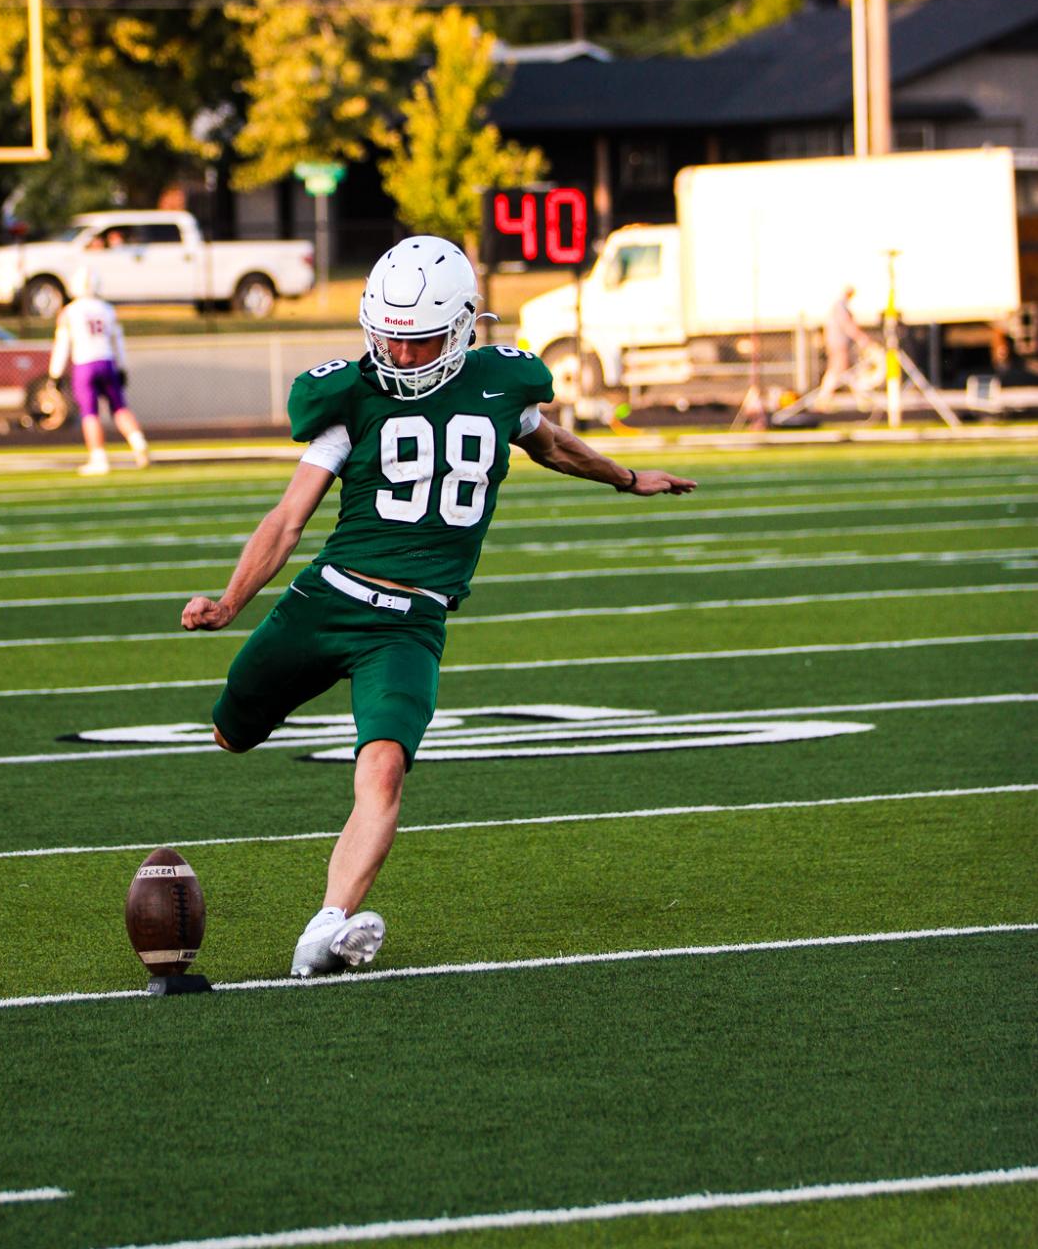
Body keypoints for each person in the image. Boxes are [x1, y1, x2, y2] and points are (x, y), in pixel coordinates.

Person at [182, 235, 696, 978]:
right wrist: (233, 601)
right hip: (325, 601)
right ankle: (317, 896)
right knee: (231, 734)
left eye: (420, 340)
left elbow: (547, 442)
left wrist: (625, 475)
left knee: (384, 768)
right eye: (391, 337)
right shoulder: (349, 396)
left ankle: (324, 927)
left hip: (410, 625)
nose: (404, 355)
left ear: (461, 327)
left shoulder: (497, 385)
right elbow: (289, 518)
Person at [48, 261, 150, 476]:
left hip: (85, 364)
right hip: (107, 361)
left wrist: (55, 373)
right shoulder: (107, 310)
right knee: (120, 407)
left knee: (90, 413)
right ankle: (139, 443)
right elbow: (118, 341)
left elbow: (63, 343)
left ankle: (98, 457)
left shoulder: (70, 312)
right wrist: (122, 366)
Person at [815, 286, 873, 408]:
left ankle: (859, 397)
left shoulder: (841, 306)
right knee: (838, 369)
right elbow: (846, 324)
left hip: (840, 343)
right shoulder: (840, 306)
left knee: (844, 370)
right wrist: (860, 337)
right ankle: (824, 397)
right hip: (838, 344)